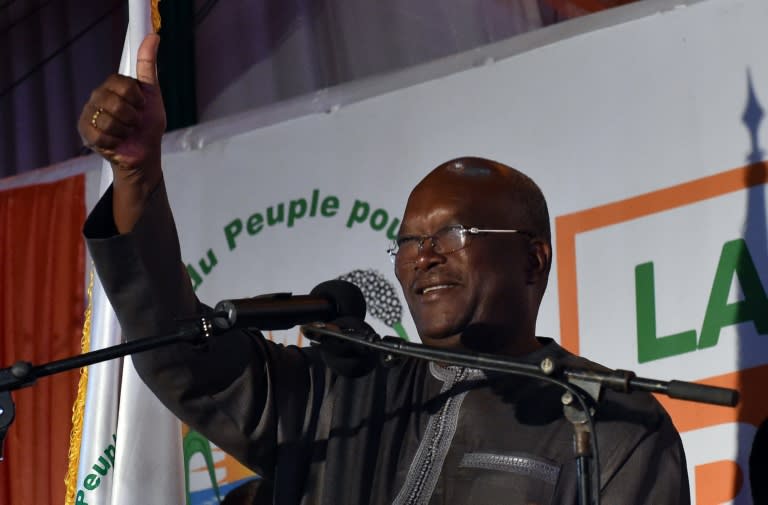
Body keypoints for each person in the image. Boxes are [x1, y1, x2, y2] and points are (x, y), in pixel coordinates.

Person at [80, 34, 690, 504]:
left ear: (533, 258)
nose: (423, 256)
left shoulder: (612, 423)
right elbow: (187, 357)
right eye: (407, 242)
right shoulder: (340, 396)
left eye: (452, 233)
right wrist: (136, 176)